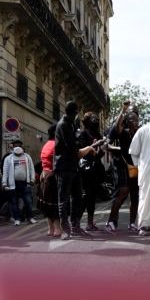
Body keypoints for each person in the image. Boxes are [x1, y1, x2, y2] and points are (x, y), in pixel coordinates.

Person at [54, 101, 97, 240]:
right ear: (74, 112)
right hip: (64, 166)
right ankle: (65, 229)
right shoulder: (63, 125)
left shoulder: (72, 123)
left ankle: (75, 227)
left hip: (73, 166)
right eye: (77, 112)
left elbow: (76, 144)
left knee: (77, 197)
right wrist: (89, 149)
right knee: (63, 199)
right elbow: (74, 150)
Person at [105, 110, 140, 233]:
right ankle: (110, 221)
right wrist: (123, 111)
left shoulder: (139, 134)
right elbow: (116, 127)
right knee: (123, 191)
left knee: (135, 196)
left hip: (135, 167)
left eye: (136, 119)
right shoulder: (123, 132)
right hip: (122, 166)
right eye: (132, 119)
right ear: (127, 121)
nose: (135, 122)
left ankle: (132, 224)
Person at [78, 111, 105, 231]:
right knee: (84, 197)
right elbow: (82, 152)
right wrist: (95, 145)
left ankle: (90, 222)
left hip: (95, 169)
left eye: (96, 118)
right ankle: (76, 223)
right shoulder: (82, 134)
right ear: (87, 121)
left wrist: (103, 148)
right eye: (93, 118)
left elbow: (98, 156)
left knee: (92, 198)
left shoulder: (98, 134)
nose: (96, 120)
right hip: (85, 170)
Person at [2, 139, 36, 225]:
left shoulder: (27, 157)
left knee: (28, 201)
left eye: (19, 145)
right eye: (16, 145)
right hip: (13, 184)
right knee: (14, 202)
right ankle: (17, 219)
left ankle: (30, 217)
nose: (18, 147)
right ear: (12, 147)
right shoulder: (8, 158)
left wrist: (32, 179)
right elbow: (5, 171)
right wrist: (4, 183)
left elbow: (32, 169)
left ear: (22, 147)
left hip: (25, 183)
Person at [38, 124, 60, 237]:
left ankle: (50, 229)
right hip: (52, 177)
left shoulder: (46, 145)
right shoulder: (56, 145)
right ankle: (57, 229)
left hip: (44, 176)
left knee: (47, 204)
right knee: (54, 204)